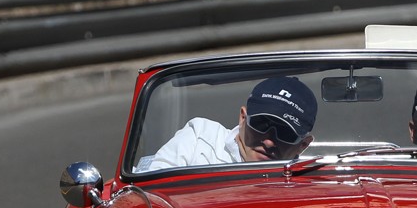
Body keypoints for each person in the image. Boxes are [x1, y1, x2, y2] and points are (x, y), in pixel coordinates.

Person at [136, 76, 317, 170]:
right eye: (261, 124)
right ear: (243, 118)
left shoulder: (313, 182)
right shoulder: (199, 138)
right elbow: (151, 199)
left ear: (303, 145)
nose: (269, 141)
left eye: (285, 133)